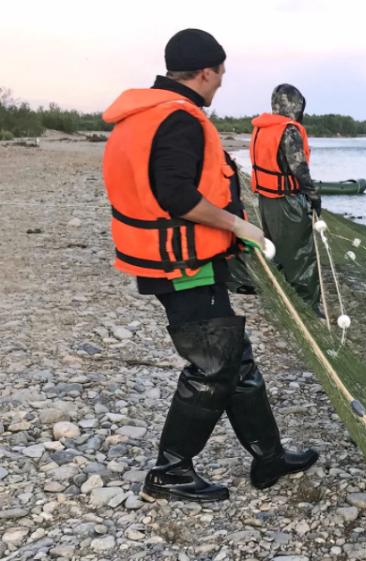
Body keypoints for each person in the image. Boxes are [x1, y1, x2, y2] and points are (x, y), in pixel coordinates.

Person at [101, 29, 318, 502]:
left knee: (233, 356)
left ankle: (270, 457)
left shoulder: (145, 114)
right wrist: (240, 228)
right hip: (183, 262)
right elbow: (174, 195)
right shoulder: (178, 119)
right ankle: (170, 471)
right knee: (212, 364)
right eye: (220, 72)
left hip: (173, 256)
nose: (221, 82)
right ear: (205, 71)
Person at [249, 85, 323, 316]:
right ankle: (307, 308)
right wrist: (314, 197)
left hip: (266, 199)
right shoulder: (289, 131)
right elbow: (299, 169)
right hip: (287, 201)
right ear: (296, 105)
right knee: (301, 254)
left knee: (277, 250)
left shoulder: (261, 128)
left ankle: (279, 298)